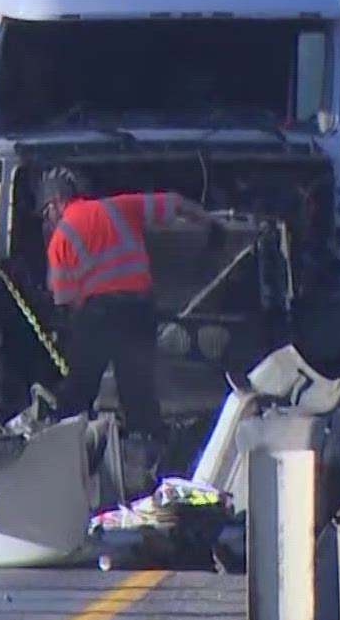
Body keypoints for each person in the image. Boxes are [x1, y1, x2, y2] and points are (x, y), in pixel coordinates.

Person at [35, 165, 220, 440]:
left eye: (46, 211)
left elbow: (64, 299)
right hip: (139, 311)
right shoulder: (117, 207)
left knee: (79, 390)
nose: (47, 219)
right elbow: (175, 203)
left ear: (58, 202)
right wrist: (212, 226)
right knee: (138, 390)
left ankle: (66, 443)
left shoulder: (60, 239)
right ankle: (150, 448)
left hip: (98, 315)